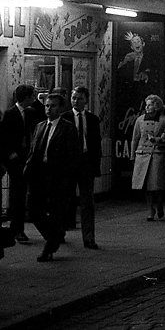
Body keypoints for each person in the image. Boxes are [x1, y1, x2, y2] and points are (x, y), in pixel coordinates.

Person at [24, 93, 81, 262]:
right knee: (33, 209)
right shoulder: (40, 126)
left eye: (53, 106)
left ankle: (48, 249)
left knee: (55, 213)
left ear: (61, 108)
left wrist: (68, 179)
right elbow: (34, 151)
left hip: (58, 176)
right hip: (39, 175)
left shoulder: (68, 128)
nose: (49, 109)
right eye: (47, 106)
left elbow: (73, 156)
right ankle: (54, 236)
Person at [1, 85, 46, 244]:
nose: (34, 99)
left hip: (30, 158)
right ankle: (17, 229)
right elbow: (4, 137)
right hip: (16, 160)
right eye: (32, 96)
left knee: (31, 194)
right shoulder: (10, 114)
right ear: (26, 97)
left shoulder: (32, 113)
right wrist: (10, 153)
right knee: (17, 196)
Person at [63, 86, 102, 249]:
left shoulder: (92, 119)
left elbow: (96, 143)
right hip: (69, 164)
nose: (76, 101)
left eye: (79, 98)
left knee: (87, 202)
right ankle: (60, 233)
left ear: (86, 100)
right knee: (64, 200)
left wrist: (95, 165)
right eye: (73, 98)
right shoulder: (65, 118)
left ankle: (88, 237)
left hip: (86, 163)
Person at [131, 94, 165, 221]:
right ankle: (150, 209)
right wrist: (132, 155)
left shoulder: (164, 119)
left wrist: (158, 140)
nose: (147, 107)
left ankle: (159, 203)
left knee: (156, 184)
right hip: (142, 154)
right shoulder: (140, 120)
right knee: (145, 185)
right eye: (146, 105)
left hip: (157, 154)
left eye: (150, 105)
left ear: (157, 106)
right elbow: (135, 138)